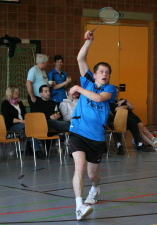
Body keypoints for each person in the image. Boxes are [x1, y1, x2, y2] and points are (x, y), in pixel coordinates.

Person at [68, 31, 116, 220]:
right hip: (78, 132)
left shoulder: (110, 90)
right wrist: (89, 41)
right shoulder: (87, 81)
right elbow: (80, 58)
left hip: (96, 138)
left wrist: (78, 88)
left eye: (107, 72)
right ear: (94, 74)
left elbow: (97, 97)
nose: (104, 74)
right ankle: (79, 206)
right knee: (79, 167)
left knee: (92, 175)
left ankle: (95, 188)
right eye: (101, 71)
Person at [110, 86, 157, 153]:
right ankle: (152, 143)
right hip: (125, 119)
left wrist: (125, 101)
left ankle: (154, 140)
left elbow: (132, 107)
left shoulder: (121, 100)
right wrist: (127, 106)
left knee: (143, 127)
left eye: (118, 92)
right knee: (138, 130)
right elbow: (117, 109)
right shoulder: (111, 102)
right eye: (115, 92)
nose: (117, 94)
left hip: (132, 116)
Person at [1, 85, 41, 157]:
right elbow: (9, 119)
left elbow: (25, 114)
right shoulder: (5, 104)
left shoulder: (19, 102)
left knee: (31, 127)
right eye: (16, 92)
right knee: (27, 128)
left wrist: (27, 121)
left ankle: (31, 148)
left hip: (23, 123)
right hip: (12, 125)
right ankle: (37, 151)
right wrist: (22, 121)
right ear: (11, 93)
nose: (18, 93)